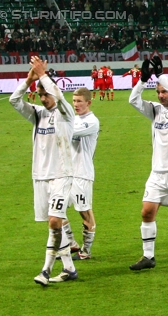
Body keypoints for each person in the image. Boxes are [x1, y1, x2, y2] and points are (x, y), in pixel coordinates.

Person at [9, 56, 78, 285]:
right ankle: (69, 268)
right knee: (55, 222)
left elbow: (58, 97)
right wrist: (29, 79)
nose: (43, 98)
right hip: (40, 177)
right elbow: (14, 100)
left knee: (54, 223)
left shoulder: (66, 112)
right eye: (40, 95)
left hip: (61, 175)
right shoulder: (37, 114)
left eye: (46, 94)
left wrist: (44, 75)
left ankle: (46, 271)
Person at [128, 56, 168, 271]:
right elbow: (133, 101)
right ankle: (148, 256)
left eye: (163, 91)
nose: (161, 94)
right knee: (147, 212)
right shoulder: (155, 110)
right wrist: (142, 80)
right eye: (158, 92)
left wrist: (161, 76)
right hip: (158, 171)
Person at [60, 87, 99, 261]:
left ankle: (86, 251)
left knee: (84, 212)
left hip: (82, 173)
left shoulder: (91, 121)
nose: (76, 105)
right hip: (67, 173)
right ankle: (70, 243)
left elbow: (69, 133)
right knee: (55, 210)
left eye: (79, 101)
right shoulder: (73, 119)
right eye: (74, 101)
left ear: (88, 103)